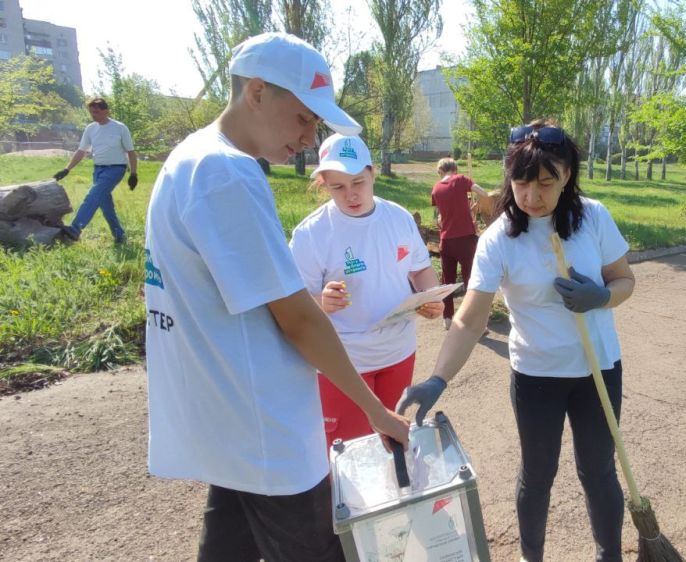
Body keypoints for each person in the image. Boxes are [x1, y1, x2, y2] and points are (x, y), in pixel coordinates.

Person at [142, 33, 409, 562]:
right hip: (265, 425)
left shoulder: (189, 158)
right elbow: (298, 319)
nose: (310, 138)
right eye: (306, 118)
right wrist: (375, 409)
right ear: (258, 92)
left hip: (229, 417)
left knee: (227, 549)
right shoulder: (227, 172)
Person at [398, 122, 636, 562]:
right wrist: (437, 378)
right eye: (522, 183)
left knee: (599, 471)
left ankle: (610, 555)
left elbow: (625, 280)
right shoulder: (499, 239)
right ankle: (532, 557)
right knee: (537, 474)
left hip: (597, 369)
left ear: (567, 175)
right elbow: (469, 321)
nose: (532, 196)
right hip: (536, 376)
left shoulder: (594, 217)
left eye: (546, 182)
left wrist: (602, 296)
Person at [289, 133, 443, 448]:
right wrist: (322, 300)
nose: (351, 195)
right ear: (323, 185)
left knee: (393, 443)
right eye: (338, 187)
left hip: (398, 352)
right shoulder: (311, 234)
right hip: (342, 363)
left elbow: (420, 269)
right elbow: (293, 303)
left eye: (358, 182)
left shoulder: (398, 218)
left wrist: (432, 297)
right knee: (349, 453)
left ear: (372, 173)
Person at [53, 97, 139, 244]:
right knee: (105, 205)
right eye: (91, 112)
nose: (94, 115)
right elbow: (81, 151)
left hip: (116, 169)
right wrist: (67, 169)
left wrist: (133, 174)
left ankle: (75, 229)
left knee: (92, 196)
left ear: (106, 111)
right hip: (98, 170)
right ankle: (119, 235)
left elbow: (131, 152)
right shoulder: (90, 129)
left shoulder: (120, 128)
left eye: (97, 112)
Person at [432, 157, 490, 329]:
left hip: (446, 241)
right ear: (455, 169)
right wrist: (477, 205)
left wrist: (467, 209)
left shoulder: (435, 188)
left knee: (447, 280)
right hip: (465, 239)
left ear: (440, 171)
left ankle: (448, 318)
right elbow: (484, 193)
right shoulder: (461, 179)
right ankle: (474, 320)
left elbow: (439, 220)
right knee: (471, 280)